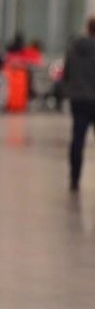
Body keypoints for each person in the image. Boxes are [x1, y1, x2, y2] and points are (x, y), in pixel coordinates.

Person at [63, 17, 95, 192]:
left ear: (87, 28)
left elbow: (66, 74)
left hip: (79, 100)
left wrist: (71, 90)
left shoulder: (73, 49)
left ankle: (75, 178)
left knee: (77, 139)